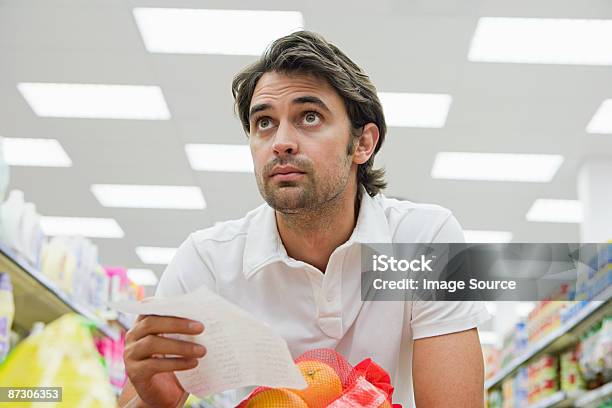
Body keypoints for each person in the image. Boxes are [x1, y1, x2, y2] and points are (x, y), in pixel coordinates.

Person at [119, 30, 490, 408]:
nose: (280, 141)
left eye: (309, 117)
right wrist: (153, 403)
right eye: (264, 122)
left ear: (363, 143)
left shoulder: (427, 239)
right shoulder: (207, 260)